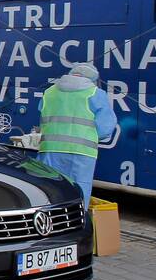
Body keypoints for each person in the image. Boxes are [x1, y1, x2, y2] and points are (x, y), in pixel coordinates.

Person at [37, 62, 116, 206]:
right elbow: (106, 128)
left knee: (50, 190)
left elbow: (42, 117)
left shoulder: (49, 92)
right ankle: (76, 225)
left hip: (50, 149)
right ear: (93, 79)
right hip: (82, 152)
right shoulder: (95, 93)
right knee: (79, 191)